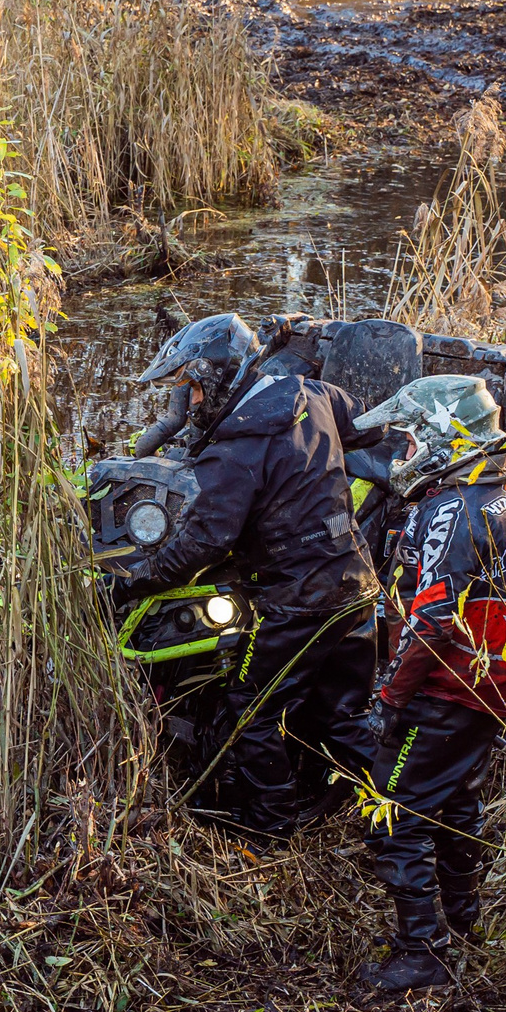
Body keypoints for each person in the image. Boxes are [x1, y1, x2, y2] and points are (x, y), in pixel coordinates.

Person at [124, 313, 381, 840]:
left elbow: (200, 546)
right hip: (357, 584)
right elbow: (370, 426)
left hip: (297, 603)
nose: (189, 403)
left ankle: (268, 831)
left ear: (218, 377)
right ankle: (399, 822)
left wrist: (129, 582)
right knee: (346, 716)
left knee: (251, 713)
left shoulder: (236, 451)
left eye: (192, 389)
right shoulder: (312, 394)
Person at [348, 374, 506, 991]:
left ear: (440, 440)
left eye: (409, 442)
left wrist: (388, 700)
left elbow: (430, 620)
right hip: (495, 681)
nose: (402, 455)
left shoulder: (449, 511)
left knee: (391, 813)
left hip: (447, 686)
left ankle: (421, 952)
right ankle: (465, 921)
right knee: (459, 802)